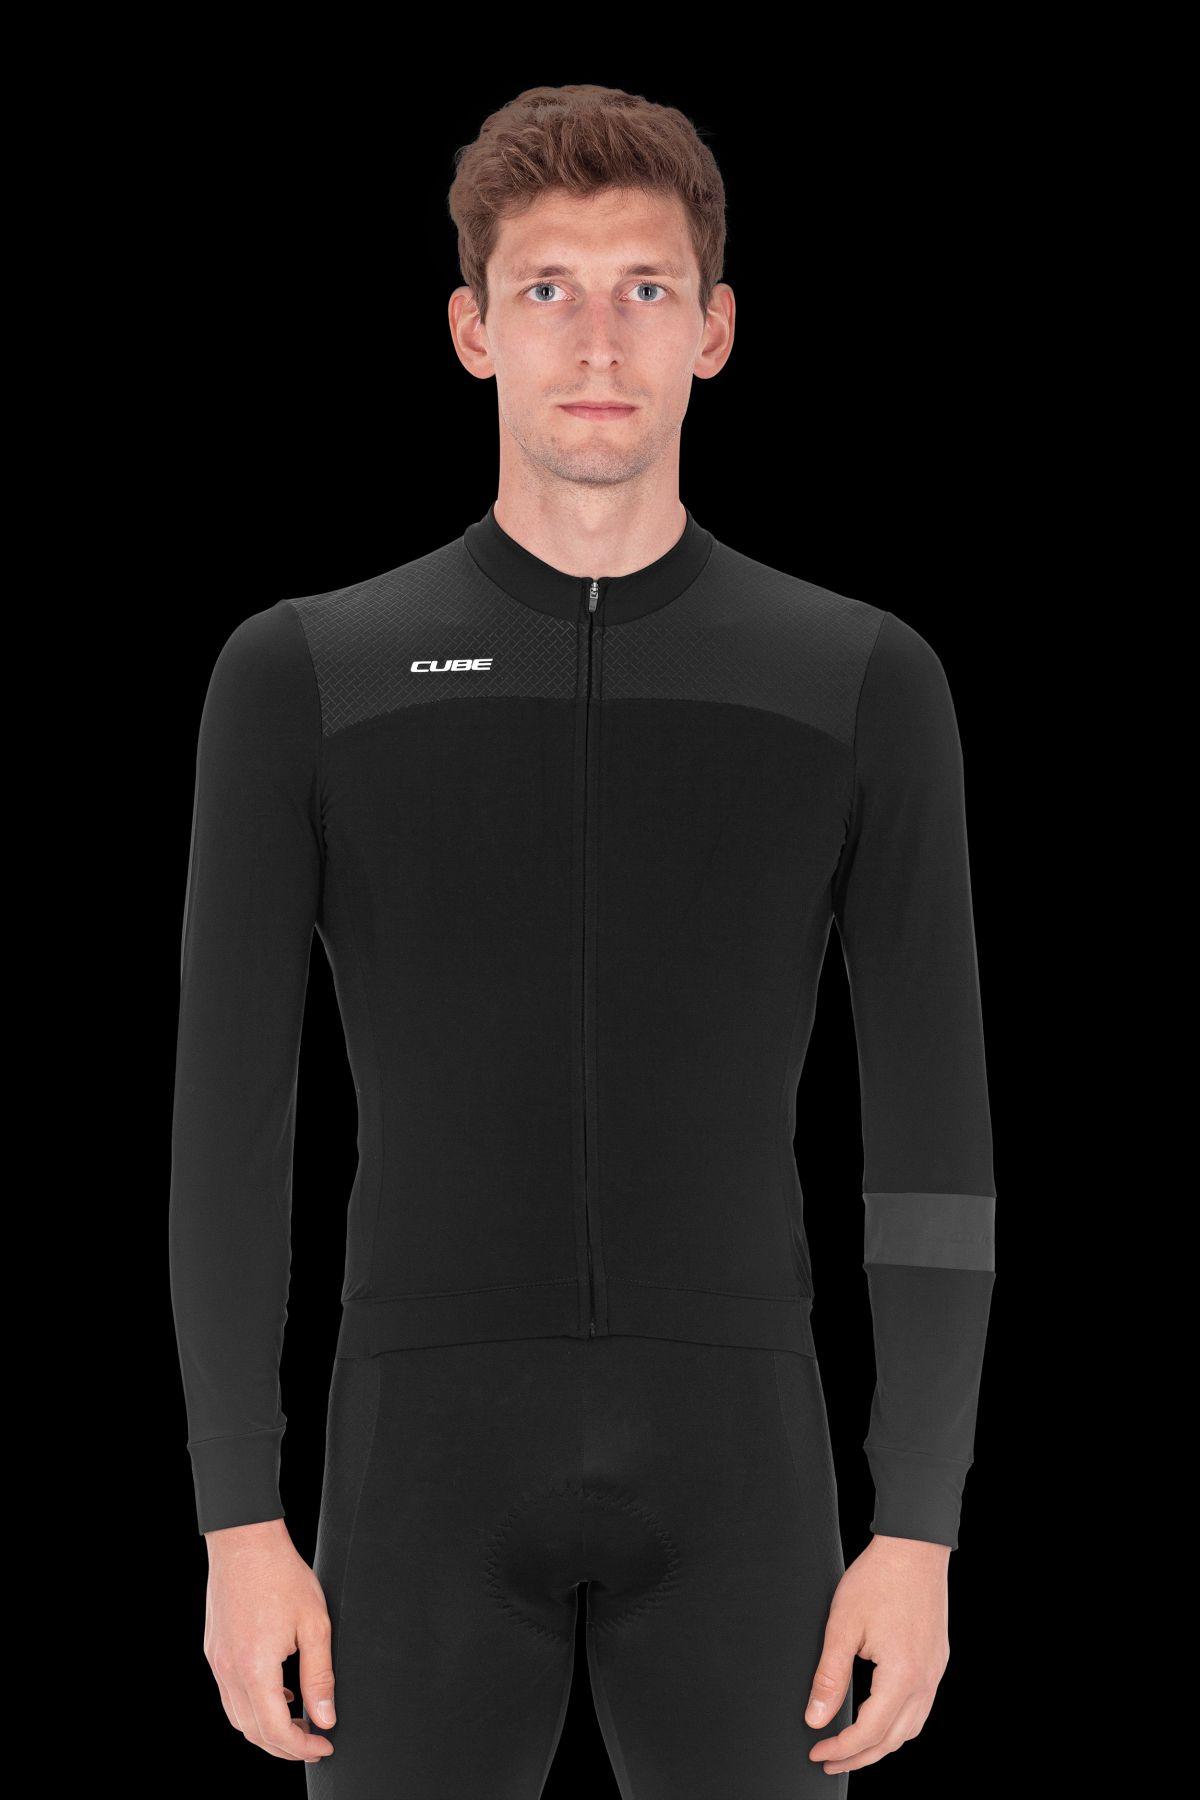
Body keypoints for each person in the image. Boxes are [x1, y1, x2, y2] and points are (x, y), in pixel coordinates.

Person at [170, 83, 996, 1796]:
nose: (599, 339)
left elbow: (933, 1133)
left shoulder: (856, 679)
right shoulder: (307, 675)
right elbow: (231, 1130)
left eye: (645, 288)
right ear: (472, 330)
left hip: (742, 1458)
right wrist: (237, 1518)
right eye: (548, 288)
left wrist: (919, 1524)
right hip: (416, 1460)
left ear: (716, 330)